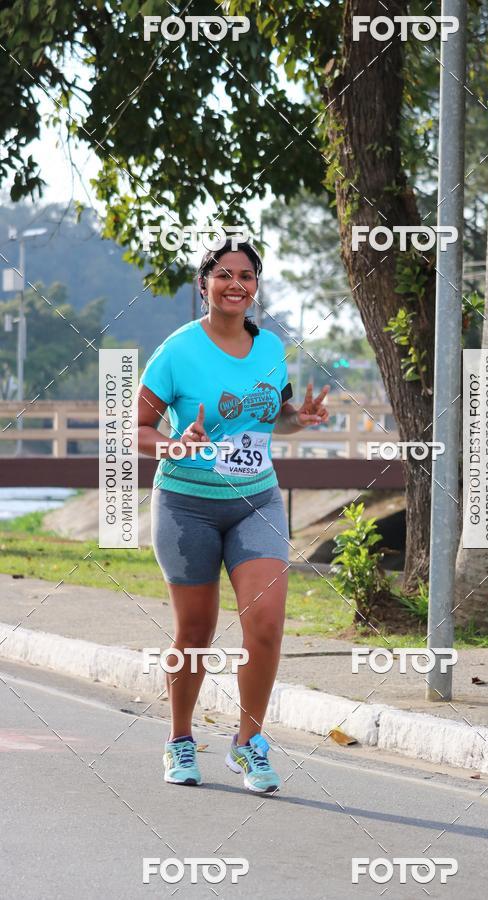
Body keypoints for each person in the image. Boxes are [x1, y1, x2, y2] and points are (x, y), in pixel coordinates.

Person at [136, 239, 329, 793]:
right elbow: (137, 430)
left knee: (265, 625)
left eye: (246, 275)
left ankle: (248, 744)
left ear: (256, 286)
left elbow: (274, 416)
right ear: (205, 285)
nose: (235, 284)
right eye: (223, 274)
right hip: (186, 506)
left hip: (256, 501)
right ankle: (180, 738)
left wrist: (299, 418)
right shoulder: (177, 350)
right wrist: (175, 444)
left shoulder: (270, 347)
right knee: (195, 631)